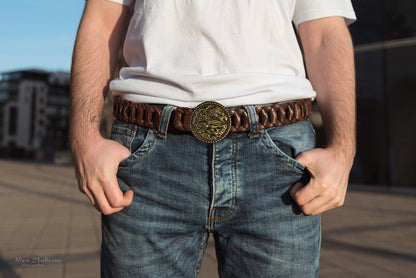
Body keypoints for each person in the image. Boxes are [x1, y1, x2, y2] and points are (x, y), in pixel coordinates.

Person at [69, 0, 356, 277]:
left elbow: (325, 32)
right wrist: (84, 138)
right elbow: (100, 21)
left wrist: (343, 150)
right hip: (148, 152)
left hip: (278, 158)